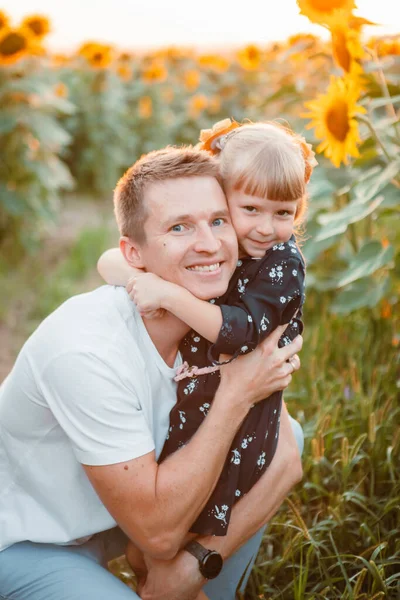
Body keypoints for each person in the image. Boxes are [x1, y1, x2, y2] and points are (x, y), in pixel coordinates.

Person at [0, 145, 303, 600]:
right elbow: (158, 534)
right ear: (135, 254)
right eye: (179, 227)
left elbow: (286, 457)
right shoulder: (85, 353)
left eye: (218, 221)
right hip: (28, 541)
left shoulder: (219, 317)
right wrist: (234, 396)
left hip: (116, 522)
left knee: (286, 435)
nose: (208, 243)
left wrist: (196, 565)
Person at [98, 120, 315, 595]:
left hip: (242, 417)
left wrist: (169, 295)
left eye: (284, 212)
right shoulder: (225, 243)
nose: (266, 226)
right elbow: (113, 262)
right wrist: (145, 277)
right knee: (146, 547)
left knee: (188, 532)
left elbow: (238, 333)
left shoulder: (280, 262)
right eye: (249, 209)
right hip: (201, 399)